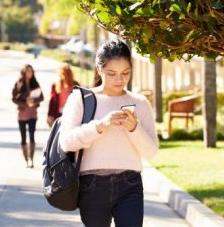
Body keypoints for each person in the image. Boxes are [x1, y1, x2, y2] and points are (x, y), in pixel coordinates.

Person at [58, 40, 159, 227]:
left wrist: (133, 128)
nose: (119, 80)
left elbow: (151, 151)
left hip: (130, 185)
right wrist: (100, 126)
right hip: (92, 186)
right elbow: (66, 142)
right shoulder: (81, 99)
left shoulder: (140, 102)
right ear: (98, 68)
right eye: (112, 74)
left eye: (125, 73)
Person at [12, 64, 44, 168]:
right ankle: (25, 159)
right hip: (21, 114)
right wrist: (25, 103)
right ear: (24, 72)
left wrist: (34, 101)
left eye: (31, 71)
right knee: (23, 138)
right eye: (28, 71)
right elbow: (13, 98)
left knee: (32, 136)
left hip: (32, 114)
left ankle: (31, 159)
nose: (30, 73)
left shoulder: (35, 83)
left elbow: (41, 97)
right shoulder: (19, 83)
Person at [47, 63, 79, 127]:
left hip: (71, 113)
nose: (63, 76)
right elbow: (52, 101)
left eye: (65, 74)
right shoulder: (55, 85)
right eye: (62, 74)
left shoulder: (75, 85)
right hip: (58, 113)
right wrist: (50, 115)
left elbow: (79, 100)